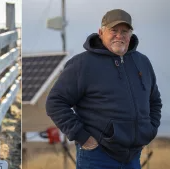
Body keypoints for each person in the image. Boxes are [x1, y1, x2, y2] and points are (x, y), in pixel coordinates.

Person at [46, 9, 162, 169]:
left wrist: (149, 130)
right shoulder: (82, 64)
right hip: (97, 156)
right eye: (113, 30)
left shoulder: (142, 62)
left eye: (124, 31)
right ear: (101, 32)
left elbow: (154, 101)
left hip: (133, 158)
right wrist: (82, 136)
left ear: (130, 34)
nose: (119, 36)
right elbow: (55, 102)